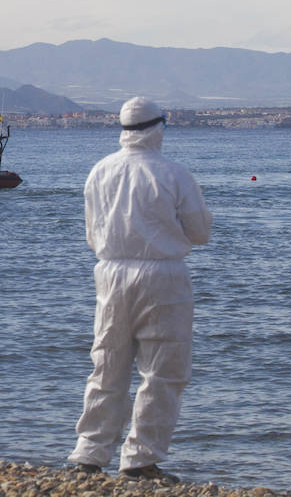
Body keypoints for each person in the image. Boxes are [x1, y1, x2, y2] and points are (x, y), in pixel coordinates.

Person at [68, 97, 212, 482]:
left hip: (110, 273)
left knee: (107, 363)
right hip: (163, 276)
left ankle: (89, 454)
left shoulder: (99, 171)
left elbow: (91, 233)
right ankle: (140, 459)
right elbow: (200, 233)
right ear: (158, 127)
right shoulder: (174, 174)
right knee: (162, 371)